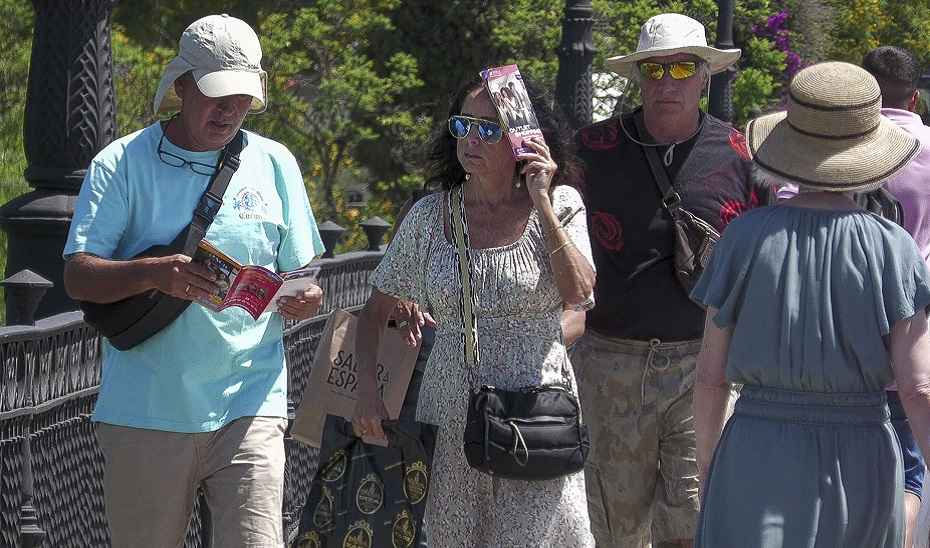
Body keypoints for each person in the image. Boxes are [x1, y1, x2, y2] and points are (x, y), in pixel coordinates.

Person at [62, 14, 325, 547]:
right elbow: (77, 276)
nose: (230, 110)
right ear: (181, 86)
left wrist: (305, 295)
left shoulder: (275, 162)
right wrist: (155, 274)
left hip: (251, 401)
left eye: (243, 97)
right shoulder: (122, 162)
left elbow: (303, 268)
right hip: (148, 411)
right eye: (216, 94)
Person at [691, 61, 930, 547]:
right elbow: (918, 386)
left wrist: (711, 464)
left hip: (755, 450)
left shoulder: (742, 239)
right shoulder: (894, 247)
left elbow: (711, 376)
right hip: (861, 454)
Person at [351, 74, 596, 547]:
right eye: (464, 125)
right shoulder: (429, 217)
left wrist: (541, 199)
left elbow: (580, 293)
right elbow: (373, 313)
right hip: (450, 411)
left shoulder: (562, 206)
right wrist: (367, 392)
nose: (470, 139)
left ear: (522, 139)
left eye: (489, 128)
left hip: (534, 411)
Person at [570, 12, 765, 548]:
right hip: (609, 362)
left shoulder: (738, 154)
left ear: (705, 77)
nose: (668, 82)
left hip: (701, 363)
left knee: (694, 520)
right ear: (638, 79)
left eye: (682, 68)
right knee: (616, 527)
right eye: (654, 70)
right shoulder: (591, 150)